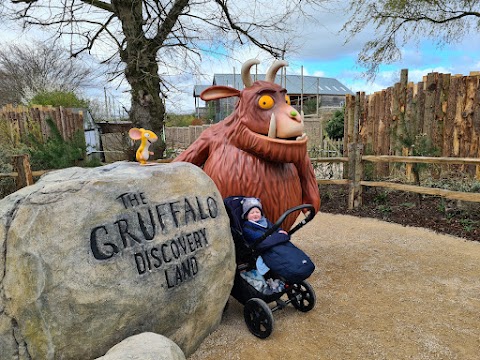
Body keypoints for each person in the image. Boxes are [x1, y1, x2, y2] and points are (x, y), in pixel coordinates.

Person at [240, 197, 315, 284]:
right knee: (280, 255)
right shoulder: (247, 227)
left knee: (289, 251)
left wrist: (279, 231)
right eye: (252, 213)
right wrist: (280, 236)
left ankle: (302, 264)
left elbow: (275, 228)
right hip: (264, 247)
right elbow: (261, 238)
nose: (255, 214)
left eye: (257, 212)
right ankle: (292, 270)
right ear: (246, 216)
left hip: (275, 243)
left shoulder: (265, 221)